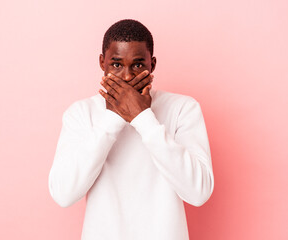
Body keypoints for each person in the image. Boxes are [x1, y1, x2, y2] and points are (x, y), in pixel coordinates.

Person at [48, 19, 214, 240]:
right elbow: (63, 194)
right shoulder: (81, 113)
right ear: (102, 63)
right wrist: (112, 118)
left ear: (152, 64)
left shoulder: (183, 108)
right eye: (116, 65)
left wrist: (143, 117)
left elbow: (198, 192)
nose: (127, 77)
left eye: (137, 65)